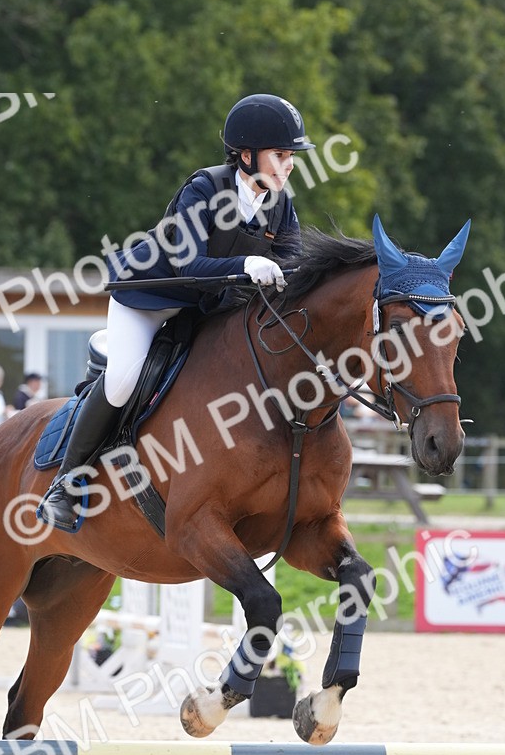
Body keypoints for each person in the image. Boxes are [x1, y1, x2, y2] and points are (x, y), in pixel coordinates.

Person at [39, 92, 312, 529]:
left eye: (290, 155)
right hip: (149, 297)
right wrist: (247, 263)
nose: (289, 164)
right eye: (280, 154)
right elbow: (188, 265)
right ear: (246, 155)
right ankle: (67, 483)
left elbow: (293, 268)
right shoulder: (204, 189)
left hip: (205, 308)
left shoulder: (280, 204)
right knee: (124, 381)